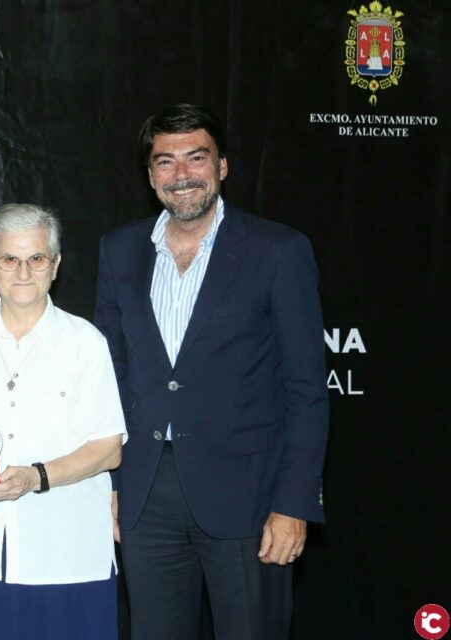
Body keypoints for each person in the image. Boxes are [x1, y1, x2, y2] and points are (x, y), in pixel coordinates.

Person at [95, 103, 329, 639]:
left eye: (196, 158)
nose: (181, 175)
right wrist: (108, 483)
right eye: (165, 162)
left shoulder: (278, 251)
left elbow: (306, 390)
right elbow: (112, 376)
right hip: (145, 491)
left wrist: (293, 504)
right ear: (150, 175)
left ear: (222, 166)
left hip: (248, 495)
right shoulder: (120, 250)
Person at [0, 203, 127, 640]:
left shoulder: (85, 343)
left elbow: (108, 447)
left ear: (54, 266)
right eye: (9, 259)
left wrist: (34, 478)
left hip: (66, 556)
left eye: (36, 258)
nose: (22, 271)